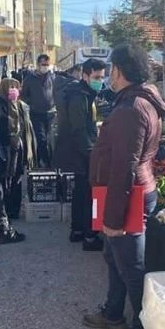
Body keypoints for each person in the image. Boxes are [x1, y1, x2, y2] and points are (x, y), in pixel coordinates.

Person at [82, 44, 165, 329]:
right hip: (127, 192)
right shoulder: (139, 101)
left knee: (132, 266)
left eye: (111, 69)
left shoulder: (132, 109)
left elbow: (125, 167)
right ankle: (113, 312)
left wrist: (113, 218)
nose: (108, 75)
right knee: (114, 257)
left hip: (128, 195)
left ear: (119, 70)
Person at [55, 58, 106, 251]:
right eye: (96, 77)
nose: (100, 81)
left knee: (80, 191)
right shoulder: (79, 96)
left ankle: (77, 230)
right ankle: (89, 236)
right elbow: (78, 129)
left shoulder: (83, 92)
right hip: (81, 152)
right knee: (88, 195)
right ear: (85, 75)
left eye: (102, 77)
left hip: (78, 150)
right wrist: (91, 153)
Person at [0, 77, 35, 242]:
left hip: (21, 147)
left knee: (17, 177)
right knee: (5, 180)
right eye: (10, 87)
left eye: (16, 87)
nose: (13, 90)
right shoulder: (0, 105)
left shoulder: (22, 105)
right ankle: (5, 211)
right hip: (7, 148)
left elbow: (27, 128)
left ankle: (14, 209)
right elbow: (2, 127)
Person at [21, 54, 56, 168]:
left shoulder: (52, 77)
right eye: (43, 64)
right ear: (38, 65)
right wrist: (30, 104)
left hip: (51, 113)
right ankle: (45, 162)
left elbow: (56, 92)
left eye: (47, 64)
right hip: (36, 114)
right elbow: (24, 95)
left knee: (50, 139)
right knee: (41, 139)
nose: (45, 67)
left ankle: (47, 159)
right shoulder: (30, 79)